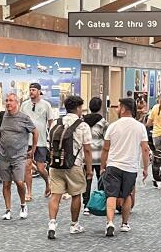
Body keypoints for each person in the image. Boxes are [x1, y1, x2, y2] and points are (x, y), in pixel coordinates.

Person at [44, 95, 94, 240]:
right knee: (76, 194)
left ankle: (52, 223)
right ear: (78, 108)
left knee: (56, 195)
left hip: (55, 165)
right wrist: (89, 170)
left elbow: (49, 144)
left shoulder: (56, 123)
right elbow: (88, 150)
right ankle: (74, 225)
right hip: (74, 164)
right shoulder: (82, 125)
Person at [100, 97, 149, 237]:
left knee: (111, 195)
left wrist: (103, 166)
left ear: (123, 109)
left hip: (113, 165)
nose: (116, 109)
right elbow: (145, 149)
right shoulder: (140, 127)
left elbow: (105, 148)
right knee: (127, 195)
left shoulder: (113, 126)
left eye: (118, 106)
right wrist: (145, 168)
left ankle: (109, 222)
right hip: (130, 167)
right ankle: (125, 223)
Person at [0, 91, 36, 220]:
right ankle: (8, 209)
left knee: (19, 182)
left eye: (11, 100)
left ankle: (23, 205)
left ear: (17, 103)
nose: (8, 103)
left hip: (19, 156)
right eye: (6, 100)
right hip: (4, 155)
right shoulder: (2, 116)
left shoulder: (24, 118)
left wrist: (32, 149)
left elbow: (35, 132)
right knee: (6, 183)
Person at [22, 83, 55, 201]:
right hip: (27, 140)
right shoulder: (24, 105)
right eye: (30, 90)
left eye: (34, 90)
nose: (31, 92)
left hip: (41, 141)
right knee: (27, 166)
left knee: (41, 168)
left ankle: (47, 182)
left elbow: (51, 122)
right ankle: (29, 193)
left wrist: (51, 139)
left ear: (39, 91)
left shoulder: (46, 105)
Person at [81, 97, 107, 212]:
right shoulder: (103, 122)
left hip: (86, 156)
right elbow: (107, 140)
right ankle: (99, 203)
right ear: (100, 107)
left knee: (87, 180)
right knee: (101, 179)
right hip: (100, 156)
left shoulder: (82, 121)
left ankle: (86, 205)